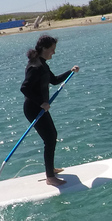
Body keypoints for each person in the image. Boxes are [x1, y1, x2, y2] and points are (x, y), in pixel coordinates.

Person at [20, 35, 80, 186]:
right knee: (50, 138)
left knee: (52, 136)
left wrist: (70, 71)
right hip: (33, 108)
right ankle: (50, 177)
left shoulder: (43, 64)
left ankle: (50, 169)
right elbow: (24, 88)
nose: (54, 52)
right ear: (44, 49)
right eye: (52, 49)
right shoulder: (35, 66)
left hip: (39, 107)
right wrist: (41, 102)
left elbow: (53, 80)